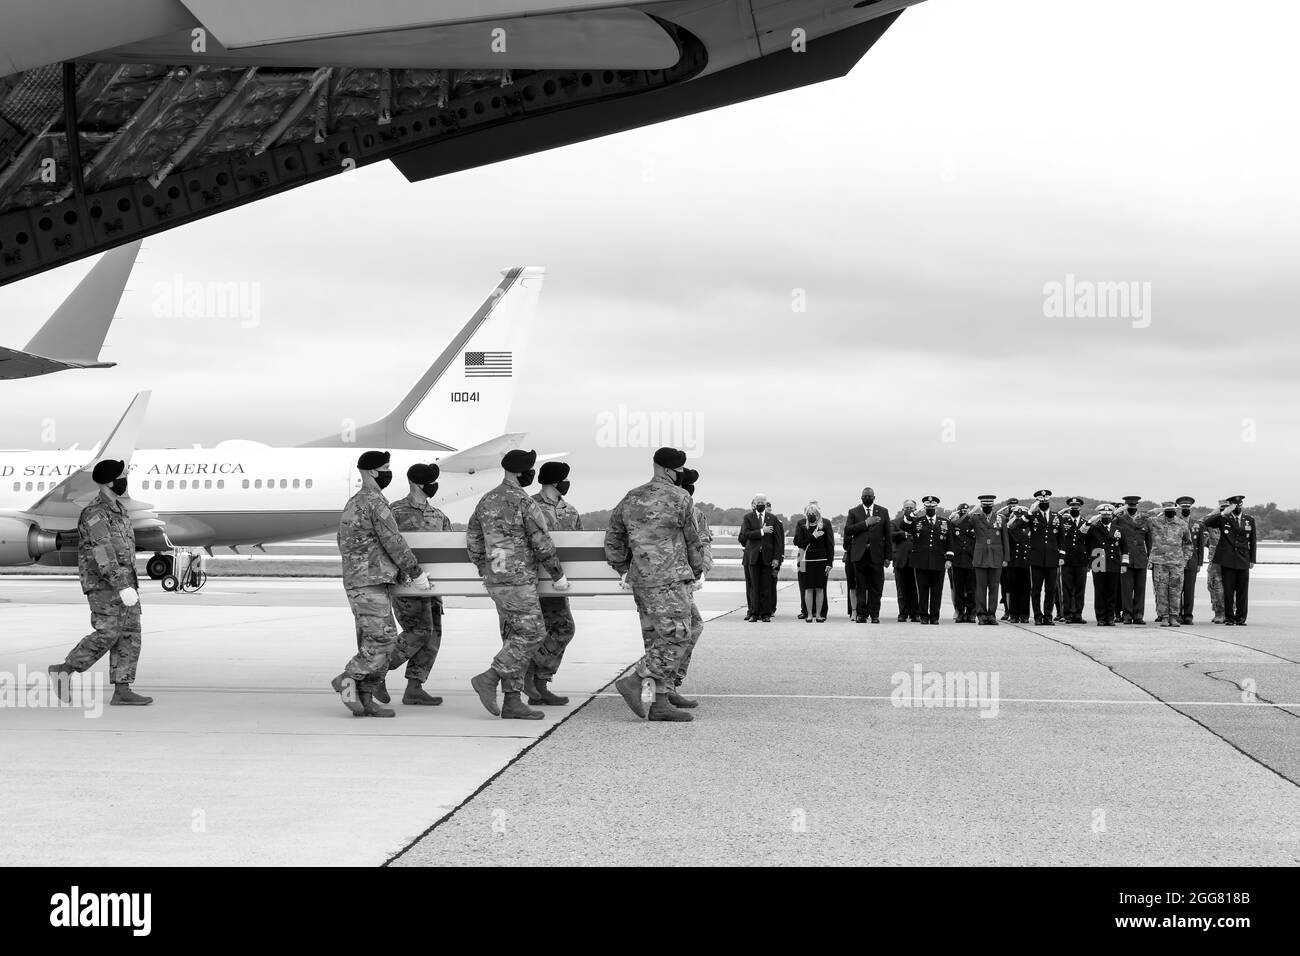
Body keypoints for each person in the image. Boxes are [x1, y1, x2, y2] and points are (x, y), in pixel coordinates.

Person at [466, 449, 571, 720]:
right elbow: (541, 543)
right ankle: (488, 678)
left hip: (496, 580)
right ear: (521, 472)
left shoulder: (487, 500)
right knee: (534, 633)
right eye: (530, 469)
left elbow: (474, 539)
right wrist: (557, 574)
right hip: (518, 580)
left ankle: (512, 700)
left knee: (513, 638)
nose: (532, 474)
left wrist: (484, 568)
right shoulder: (524, 502)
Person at [330, 451, 433, 718]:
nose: (389, 472)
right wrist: (415, 572)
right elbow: (393, 540)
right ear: (373, 471)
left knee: (371, 640)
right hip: (368, 582)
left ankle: (366, 700)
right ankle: (347, 678)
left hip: (365, 579)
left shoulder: (355, 502)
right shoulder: (374, 502)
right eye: (386, 468)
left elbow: (342, 541)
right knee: (384, 640)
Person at [605, 447, 705, 722]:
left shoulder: (631, 497)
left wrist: (624, 568)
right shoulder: (680, 497)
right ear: (666, 469)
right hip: (670, 580)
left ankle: (661, 702)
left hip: (642, 580)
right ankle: (635, 680)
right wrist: (696, 571)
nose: (680, 474)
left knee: (658, 637)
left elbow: (613, 539)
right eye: (679, 469)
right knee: (679, 634)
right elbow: (693, 540)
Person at [47, 459, 152, 706]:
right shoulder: (95, 513)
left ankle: (122, 689)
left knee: (129, 634)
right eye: (123, 475)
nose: (125, 480)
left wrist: (129, 584)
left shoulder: (119, 510)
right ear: (109, 480)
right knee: (108, 633)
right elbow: (102, 552)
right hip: (105, 584)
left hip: (126, 583)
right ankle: (65, 668)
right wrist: (121, 585)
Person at [385, 462, 450, 706]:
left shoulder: (439, 516)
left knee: (432, 636)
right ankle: (376, 672)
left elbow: (448, 551)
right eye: (429, 481)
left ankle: (414, 688)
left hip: (432, 589)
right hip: (406, 587)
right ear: (415, 483)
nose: (433, 486)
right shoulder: (395, 512)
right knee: (417, 633)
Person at [524, 460, 582, 706]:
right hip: (534, 582)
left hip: (559, 585)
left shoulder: (570, 511)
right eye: (565, 479)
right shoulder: (530, 506)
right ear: (556, 481)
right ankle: (529, 678)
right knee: (534, 633)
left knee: (563, 629)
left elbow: (578, 545)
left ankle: (539, 681)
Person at [670, 467, 708, 707]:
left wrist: (701, 569)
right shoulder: (675, 506)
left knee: (689, 627)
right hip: (667, 580)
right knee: (686, 627)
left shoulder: (695, 512)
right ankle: (660, 682)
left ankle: (669, 682)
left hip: (682, 579)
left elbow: (703, 542)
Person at [952, 495, 1008, 625]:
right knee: (980, 588)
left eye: (989, 505)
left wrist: (1006, 558)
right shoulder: (975, 518)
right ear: (981, 506)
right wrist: (970, 513)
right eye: (985, 505)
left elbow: (1004, 539)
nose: (987, 507)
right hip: (980, 557)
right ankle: (981, 615)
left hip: (996, 557)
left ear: (993, 505)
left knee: (994, 588)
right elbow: (959, 525)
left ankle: (992, 615)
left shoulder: (1001, 518)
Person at [1203, 495, 1257, 626]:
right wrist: (1222, 513)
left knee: (1242, 592)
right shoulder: (1224, 519)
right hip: (1227, 560)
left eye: (1240, 505)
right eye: (1235, 506)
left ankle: (1241, 618)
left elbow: (1253, 541)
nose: (1238, 508)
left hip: (1243, 559)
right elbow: (1207, 522)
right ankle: (1229, 617)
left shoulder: (1249, 520)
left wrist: (1252, 559)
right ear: (1231, 507)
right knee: (1228, 591)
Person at [844, 487, 893, 623]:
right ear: (861, 497)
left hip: (876, 555)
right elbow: (848, 530)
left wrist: (888, 556)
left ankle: (874, 614)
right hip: (860, 556)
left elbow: (888, 536)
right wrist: (865, 523)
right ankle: (861, 614)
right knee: (861, 587)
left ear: (874, 497)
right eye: (865, 496)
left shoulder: (883, 511)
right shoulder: (854, 512)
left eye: (869, 496)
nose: (867, 498)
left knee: (876, 587)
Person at [900, 495, 952, 625]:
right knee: (922, 591)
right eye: (927, 507)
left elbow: (949, 543)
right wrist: (915, 512)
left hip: (938, 561)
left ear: (936, 507)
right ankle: (923, 615)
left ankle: (934, 616)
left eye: (932, 507)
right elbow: (904, 525)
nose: (930, 509)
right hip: (921, 562)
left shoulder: (944, 522)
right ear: (925, 508)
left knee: (936, 591)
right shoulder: (917, 521)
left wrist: (949, 559)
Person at [738, 494, 782, 622]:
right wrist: (762, 531)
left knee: (766, 587)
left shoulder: (773, 518)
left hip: (768, 557)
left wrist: (776, 558)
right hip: (753, 557)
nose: (761, 503)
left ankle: (766, 614)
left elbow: (777, 541)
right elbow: (745, 534)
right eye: (758, 501)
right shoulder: (748, 518)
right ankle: (754, 613)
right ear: (754, 503)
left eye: (763, 501)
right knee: (754, 587)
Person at [1149, 500, 1194, 627]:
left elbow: (1188, 544)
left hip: (1176, 564)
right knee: (1161, 591)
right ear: (1163, 510)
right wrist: (1153, 511)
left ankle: (1174, 617)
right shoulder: (1155, 522)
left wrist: (1184, 559)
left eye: (1171, 509)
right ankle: (1164, 616)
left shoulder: (1182, 524)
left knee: (1175, 591)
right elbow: (1137, 521)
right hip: (1160, 563)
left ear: (1175, 509)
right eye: (1166, 509)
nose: (1169, 511)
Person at [1026, 490, 1064, 626]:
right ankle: (1037, 615)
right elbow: (1019, 526)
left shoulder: (1057, 516)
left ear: (1049, 501)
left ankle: (1048, 615)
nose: (1043, 503)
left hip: (1052, 558)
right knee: (1036, 589)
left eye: (1045, 501)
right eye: (1041, 502)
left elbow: (1061, 538)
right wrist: (1029, 512)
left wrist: (1062, 555)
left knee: (1050, 589)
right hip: (1036, 559)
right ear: (1038, 503)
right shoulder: (1033, 516)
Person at [1114, 495, 1153, 624]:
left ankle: (1138, 615)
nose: (1132, 508)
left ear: (1137, 506)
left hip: (1141, 559)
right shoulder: (1119, 520)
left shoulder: (1144, 520)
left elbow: (1149, 541)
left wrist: (1150, 558)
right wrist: (1115, 513)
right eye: (1129, 506)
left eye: (1134, 506)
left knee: (1140, 589)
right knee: (1126, 589)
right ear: (1126, 506)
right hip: (1125, 559)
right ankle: (1127, 615)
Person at [794, 502, 834, 622]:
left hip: (822, 561)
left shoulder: (825, 526)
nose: (811, 515)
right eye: (809, 514)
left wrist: (830, 562)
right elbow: (799, 543)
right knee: (808, 589)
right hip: (807, 560)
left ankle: (819, 614)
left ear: (818, 514)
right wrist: (813, 536)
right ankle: (809, 614)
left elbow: (830, 545)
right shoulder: (802, 527)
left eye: (813, 513)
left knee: (820, 589)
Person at [1087, 504, 1127, 625]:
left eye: (1108, 515)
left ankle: (1110, 617)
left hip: (1113, 562)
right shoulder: (1094, 528)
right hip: (1098, 561)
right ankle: (1100, 618)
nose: (1106, 517)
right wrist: (1089, 522)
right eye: (1103, 515)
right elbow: (1082, 536)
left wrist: (1124, 564)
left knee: (1112, 592)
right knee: (1100, 591)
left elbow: (1124, 548)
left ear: (1112, 515)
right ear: (1100, 515)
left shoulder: (1118, 529)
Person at [1058, 497, 1090, 623]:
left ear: (1080, 508)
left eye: (1076, 507)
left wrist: (1089, 560)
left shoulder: (1085, 522)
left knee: (1080, 588)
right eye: (1072, 507)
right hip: (1067, 559)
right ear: (1069, 508)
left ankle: (1078, 614)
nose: (1074, 508)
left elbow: (1088, 542)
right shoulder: (1063, 521)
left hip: (1081, 560)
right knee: (1067, 588)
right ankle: (1067, 614)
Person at [1177, 496, 1205, 625]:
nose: (1186, 509)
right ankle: (1176, 614)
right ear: (1179, 508)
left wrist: (1199, 563)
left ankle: (1188, 615)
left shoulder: (1197, 524)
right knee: (1176, 590)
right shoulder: (1175, 522)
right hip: (1176, 560)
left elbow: (1200, 545)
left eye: (1188, 507)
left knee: (1189, 590)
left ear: (1191, 508)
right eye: (1183, 507)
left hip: (1192, 561)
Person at [947, 502, 977, 623]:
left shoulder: (974, 524)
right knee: (958, 588)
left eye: (966, 512)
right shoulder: (954, 524)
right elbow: (946, 527)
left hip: (971, 560)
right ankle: (960, 612)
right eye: (962, 512)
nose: (965, 514)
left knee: (971, 588)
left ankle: (971, 612)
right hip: (958, 560)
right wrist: (950, 517)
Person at [891, 500, 920, 622]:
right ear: (903, 509)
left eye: (912, 507)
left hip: (916, 560)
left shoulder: (920, 522)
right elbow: (891, 535)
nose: (909, 509)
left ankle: (915, 613)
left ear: (916, 508)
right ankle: (902, 613)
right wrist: (905, 534)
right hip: (900, 559)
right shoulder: (896, 522)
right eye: (907, 507)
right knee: (901, 589)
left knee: (915, 589)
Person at [1005, 504, 1032, 623]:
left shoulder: (1029, 526)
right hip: (1014, 562)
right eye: (1017, 514)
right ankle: (1014, 614)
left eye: (1021, 515)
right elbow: (1012, 533)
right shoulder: (1011, 527)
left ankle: (1025, 614)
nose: (1019, 516)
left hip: (1026, 562)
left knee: (1026, 590)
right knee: (1014, 590)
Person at [1204, 499, 1228, 623]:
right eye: (1222, 508)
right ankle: (1217, 612)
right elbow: (1201, 522)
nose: (1224, 510)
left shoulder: (1232, 522)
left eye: (1226, 508)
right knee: (1213, 586)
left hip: (1229, 560)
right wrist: (1217, 512)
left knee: (1228, 588)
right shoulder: (1213, 523)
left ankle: (1227, 612)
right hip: (1214, 561)